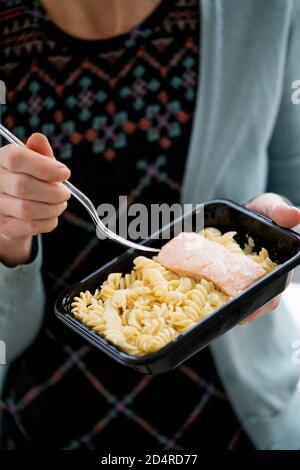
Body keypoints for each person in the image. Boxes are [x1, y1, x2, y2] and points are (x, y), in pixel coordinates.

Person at [0, 0, 300, 450]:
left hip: (237, 413)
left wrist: (271, 234)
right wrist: (8, 237)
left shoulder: (265, 10)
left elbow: (292, 177)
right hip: (43, 414)